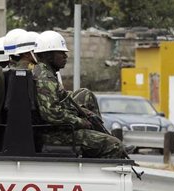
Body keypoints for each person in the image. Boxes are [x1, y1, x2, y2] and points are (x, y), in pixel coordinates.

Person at [32, 30, 125, 158]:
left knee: (85, 94)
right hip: (55, 134)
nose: (65, 56)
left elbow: (60, 99)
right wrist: (80, 121)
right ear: (48, 55)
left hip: (58, 129)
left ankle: (100, 136)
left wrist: (81, 111)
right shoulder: (45, 78)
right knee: (115, 146)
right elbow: (52, 114)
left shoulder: (45, 73)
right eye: (61, 53)